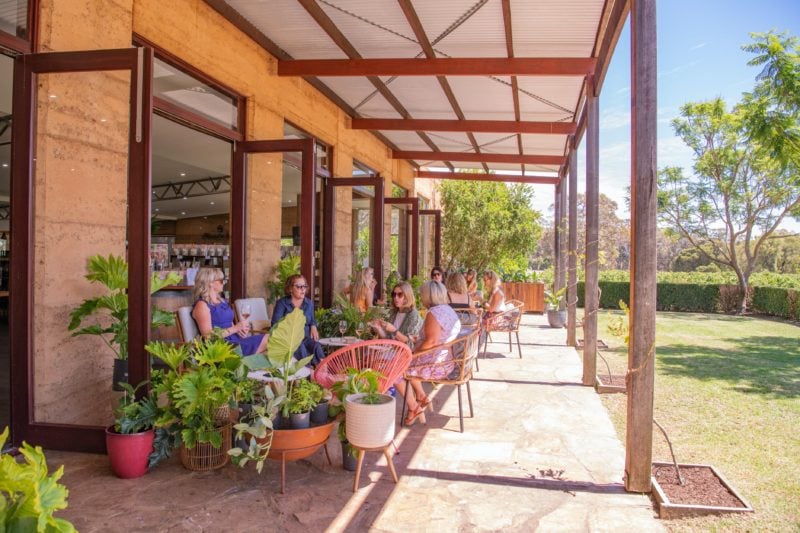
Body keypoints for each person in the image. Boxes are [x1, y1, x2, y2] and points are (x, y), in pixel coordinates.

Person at [397, 280, 461, 426]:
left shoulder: (434, 313)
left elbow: (431, 342)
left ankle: (414, 407)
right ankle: (421, 397)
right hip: (446, 361)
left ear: (428, 296)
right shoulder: (448, 310)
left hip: (437, 365)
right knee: (404, 361)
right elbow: (437, 337)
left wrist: (412, 353)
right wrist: (419, 339)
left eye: (422, 295)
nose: (421, 297)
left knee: (396, 368)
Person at [191, 267, 268, 355]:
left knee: (272, 340)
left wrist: (240, 331)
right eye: (221, 280)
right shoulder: (202, 305)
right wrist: (235, 328)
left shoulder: (222, 301)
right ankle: (245, 362)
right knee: (269, 340)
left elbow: (231, 325)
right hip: (222, 346)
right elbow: (208, 337)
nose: (224, 282)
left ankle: (248, 362)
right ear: (210, 283)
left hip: (236, 340)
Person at [271, 274, 325, 366]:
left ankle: (325, 372)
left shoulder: (309, 303)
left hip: (305, 338)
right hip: (289, 339)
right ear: (290, 288)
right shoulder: (282, 303)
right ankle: (307, 375)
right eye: (299, 286)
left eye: (304, 286)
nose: (303, 289)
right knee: (300, 347)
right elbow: (275, 325)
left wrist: (313, 325)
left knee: (316, 346)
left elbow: (312, 319)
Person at [369, 281, 422, 350]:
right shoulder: (394, 313)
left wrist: (394, 330)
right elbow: (389, 339)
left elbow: (410, 344)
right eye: (394, 294)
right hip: (391, 352)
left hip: (404, 355)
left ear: (407, 296)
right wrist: (379, 329)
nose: (396, 298)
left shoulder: (414, 316)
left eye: (400, 295)